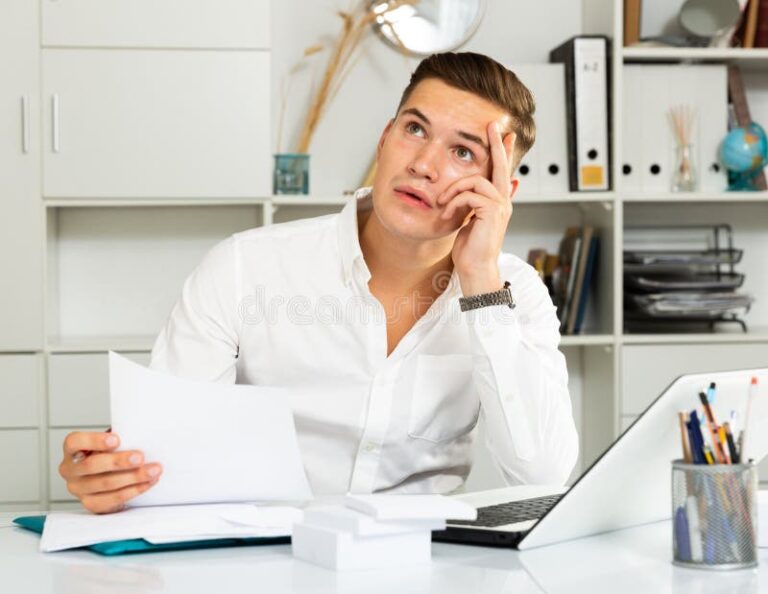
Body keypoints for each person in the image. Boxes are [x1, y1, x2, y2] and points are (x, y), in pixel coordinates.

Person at [59, 52, 578, 514]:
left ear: (501, 191)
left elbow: (541, 476)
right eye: (415, 130)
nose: (423, 164)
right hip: (263, 563)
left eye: (464, 153)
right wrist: (115, 477)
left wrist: (481, 282)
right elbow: (166, 457)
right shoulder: (244, 267)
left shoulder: (514, 293)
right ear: (385, 138)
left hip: (420, 565)